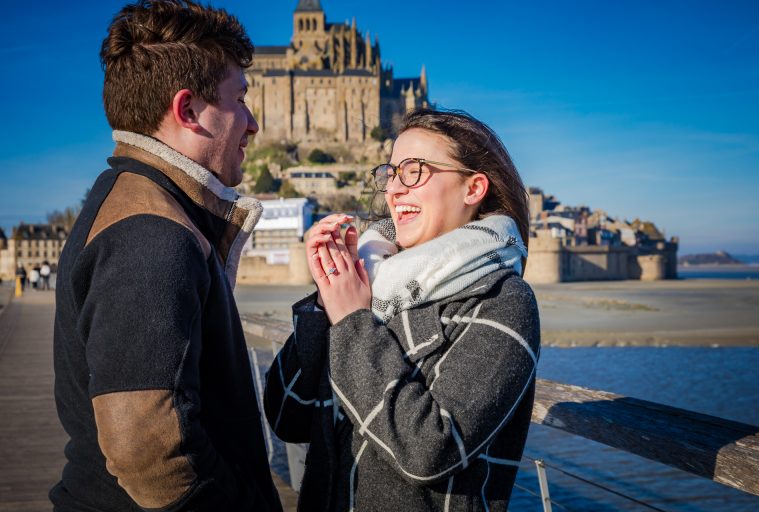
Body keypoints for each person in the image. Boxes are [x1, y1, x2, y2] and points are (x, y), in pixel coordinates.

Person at [51, 1, 281, 510]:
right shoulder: (152, 234)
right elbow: (148, 452)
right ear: (187, 111)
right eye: (239, 100)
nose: (253, 123)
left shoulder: (130, 199)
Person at [265, 108, 540, 511]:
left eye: (414, 171)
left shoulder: (504, 299)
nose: (394, 189)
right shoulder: (374, 278)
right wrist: (328, 297)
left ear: (473, 188)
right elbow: (287, 416)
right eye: (391, 173)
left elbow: (431, 452)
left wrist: (352, 322)